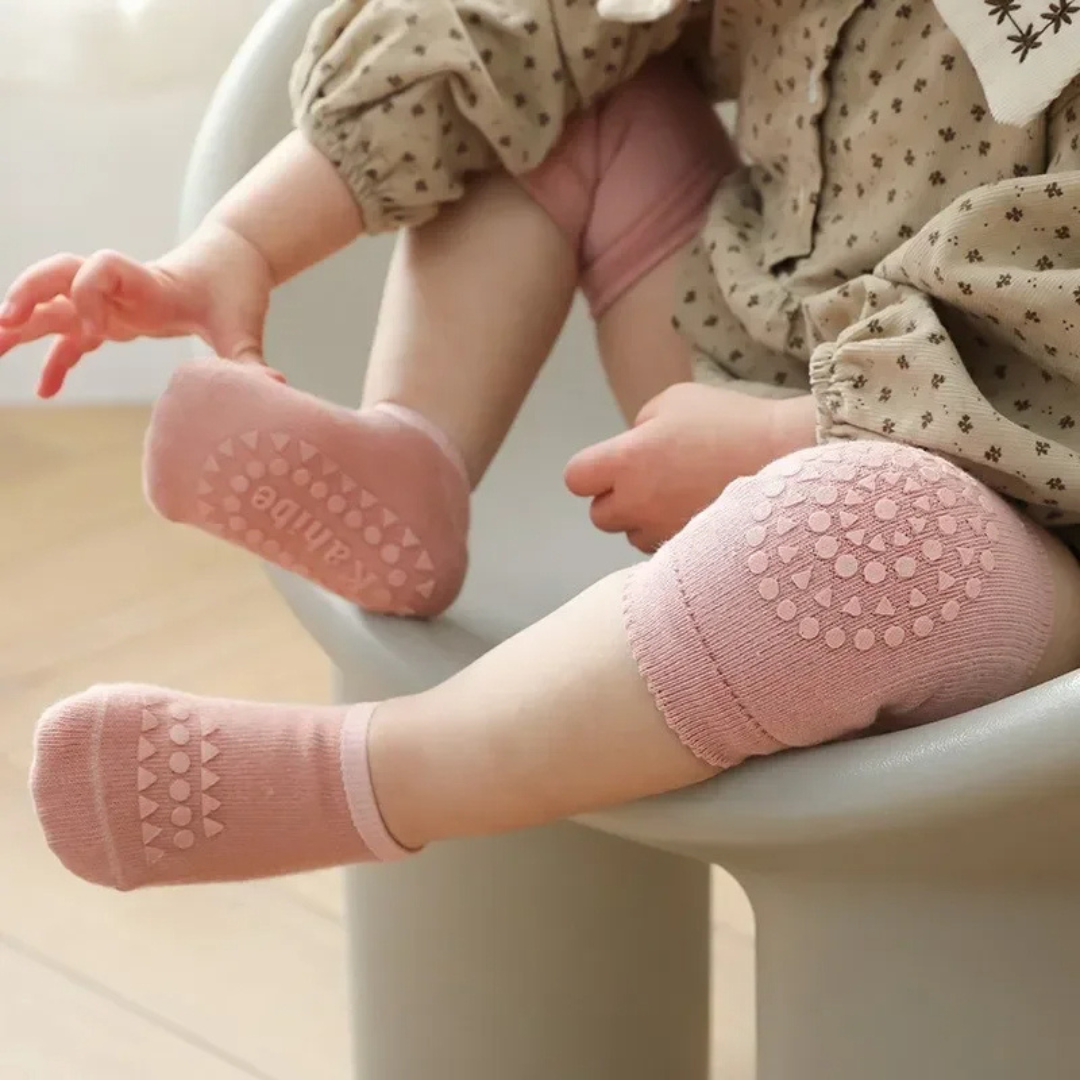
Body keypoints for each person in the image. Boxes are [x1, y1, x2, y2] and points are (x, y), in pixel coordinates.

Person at [16, 0, 1080, 890]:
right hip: (749, 360)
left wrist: (783, 436)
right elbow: (517, 26)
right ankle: (416, 453)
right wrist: (239, 245)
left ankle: (367, 777)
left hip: (1008, 512)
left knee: (871, 532)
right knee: (545, 99)